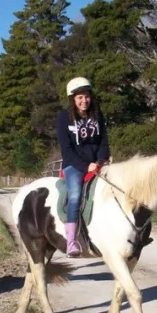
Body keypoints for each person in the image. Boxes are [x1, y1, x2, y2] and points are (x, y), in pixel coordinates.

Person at [55, 77, 111, 257]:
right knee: (75, 195)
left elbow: (103, 142)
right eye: (80, 97)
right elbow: (66, 149)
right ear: (73, 99)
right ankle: (72, 241)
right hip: (75, 165)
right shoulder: (64, 118)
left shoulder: (97, 115)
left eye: (86, 96)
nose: (84, 101)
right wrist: (86, 166)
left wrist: (101, 161)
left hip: (98, 163)